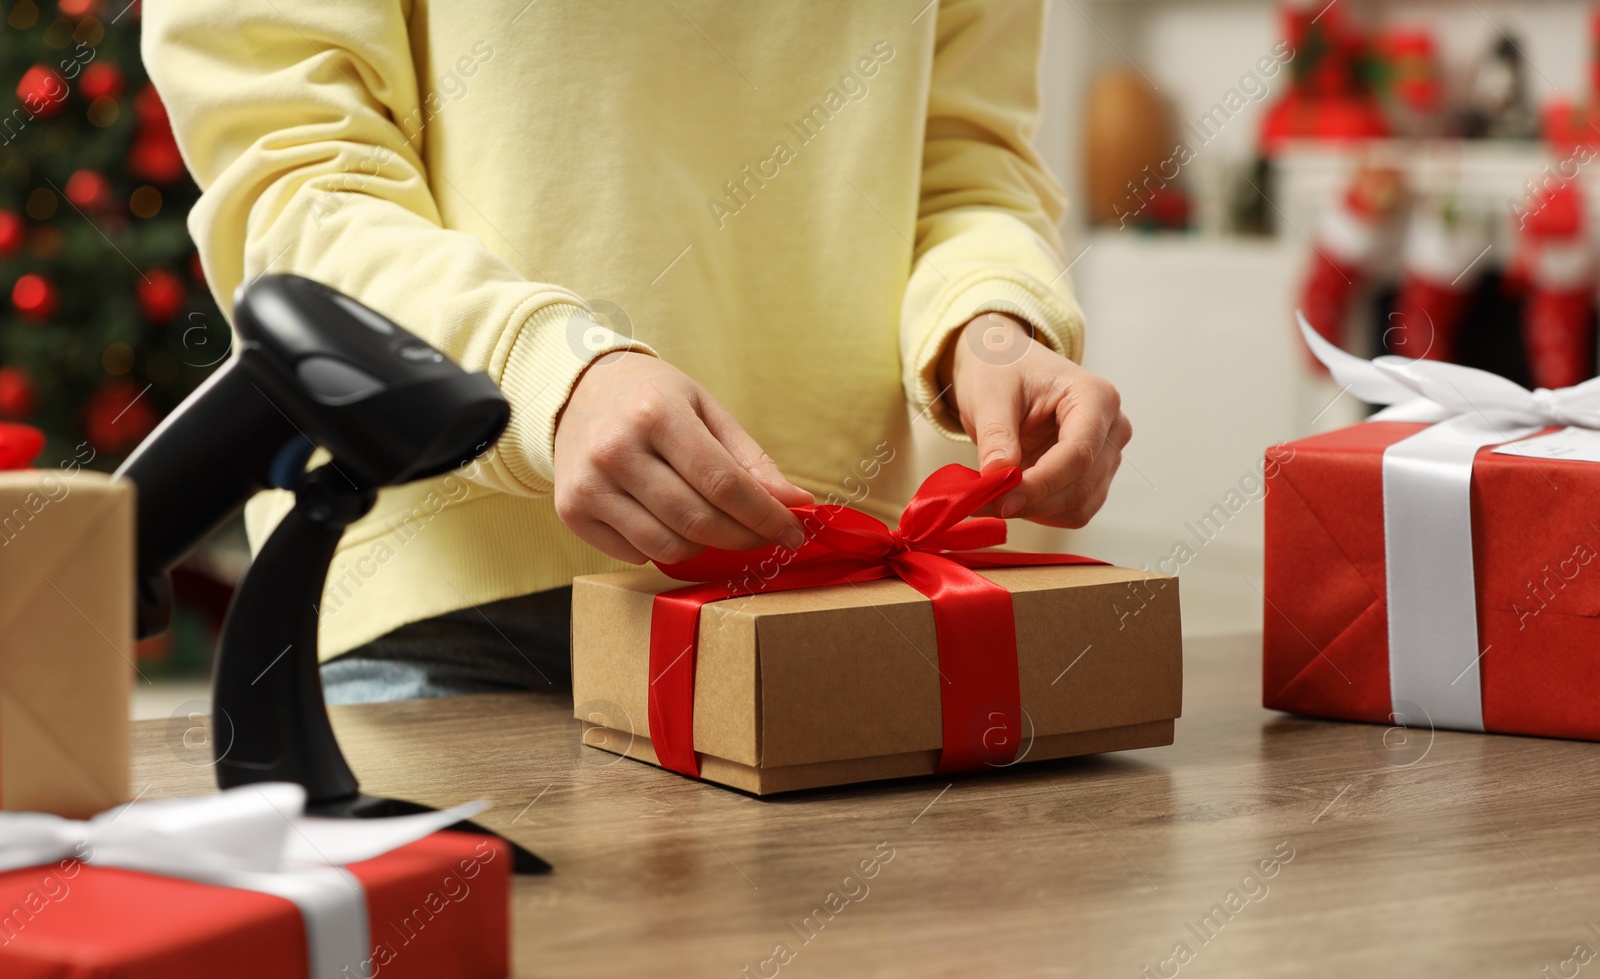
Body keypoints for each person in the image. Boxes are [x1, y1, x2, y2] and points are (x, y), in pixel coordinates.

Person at [142, 0, 1130, 702]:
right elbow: (295, 183)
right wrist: (550, 375)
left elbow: (965, 170)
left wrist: (991, 320)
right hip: (451, 627)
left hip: (841, 613)